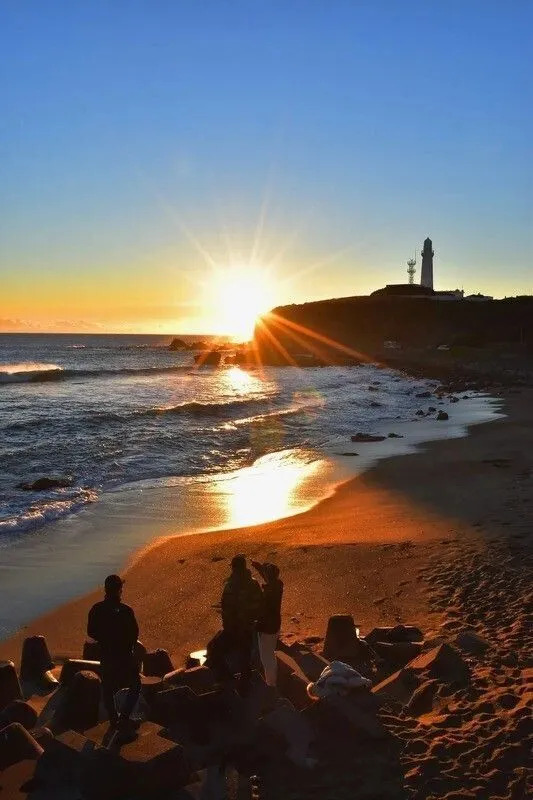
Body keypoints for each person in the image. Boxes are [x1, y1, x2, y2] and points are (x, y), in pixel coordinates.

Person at [87, 574, 141, 731]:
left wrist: (105, 638)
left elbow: (91, 632)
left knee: (107, 687)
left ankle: (113, 719)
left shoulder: (96, 609)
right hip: (124, 655)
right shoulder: (126, 611)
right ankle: (124, 717)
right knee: (135, 685)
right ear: (119, 590)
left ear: (106, 589)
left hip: (107, 653)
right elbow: (134, 634)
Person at [220, 555, 263, 689]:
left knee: (235, 653)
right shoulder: (253, 583)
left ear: (234, 568)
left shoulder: (230, 585)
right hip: (248, 626)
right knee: (245, 654)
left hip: (237, 627)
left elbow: (225, 607)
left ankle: (238, 683)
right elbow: (260, 604)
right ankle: (245, 680)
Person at [252, 561, 283, 687]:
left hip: (267, 627)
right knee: (270, 654)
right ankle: (272, 681)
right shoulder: (277, 585)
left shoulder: (269, 591)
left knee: (267, 658)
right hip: (275, 624)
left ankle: (271, 684)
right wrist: (258, 567)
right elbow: (269, 576)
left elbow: (262, 611)